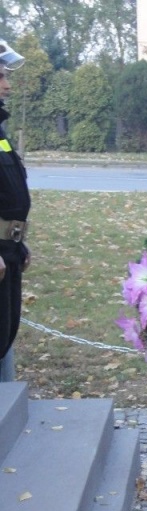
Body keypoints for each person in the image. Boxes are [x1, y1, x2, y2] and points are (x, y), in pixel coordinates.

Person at [0, 42, 31, 383]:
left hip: (9, 251)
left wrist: (18, 240)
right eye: (0, 77)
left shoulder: (1, 131)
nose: (6, 84)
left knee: (5, 332)